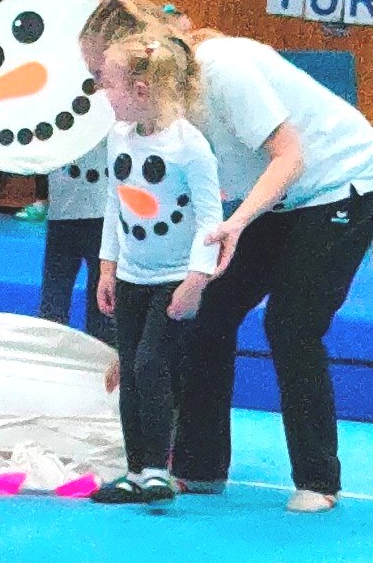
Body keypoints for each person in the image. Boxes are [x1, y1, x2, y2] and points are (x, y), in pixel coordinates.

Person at [79, 0, 373, 513]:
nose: (98, 88)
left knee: (291, 324)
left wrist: (237, 223)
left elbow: (290, 157)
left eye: (99, 75)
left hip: (342, 185)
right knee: (209, 308)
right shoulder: (159, 113)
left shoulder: (223, 69)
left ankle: (318, 479)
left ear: (134, 67)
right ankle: (199, 467)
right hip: (277, 198)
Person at [89, 32, 222, 504]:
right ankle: (134, 470)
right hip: (131, 276)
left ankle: (156, 469)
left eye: (108, 84)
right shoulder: (118, 137)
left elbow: (210, 218)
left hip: (173, 279)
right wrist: (107, 267)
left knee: (150, 365)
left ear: (140, 90)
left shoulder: (189, 146)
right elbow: (115, 202)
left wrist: (196, 279)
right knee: (130, 372)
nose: (102, 92)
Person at [13, 0, 64, 223]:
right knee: (36, 129)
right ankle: (41, 198)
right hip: (24, 58)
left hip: (53, 59)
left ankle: (57, 199)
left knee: (55, 129)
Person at [39, 139, 115, 347]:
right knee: (54, 298)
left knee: (103, 299)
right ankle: (50, 350)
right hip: (63, 214)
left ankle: (103, 352)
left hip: (103, 214)